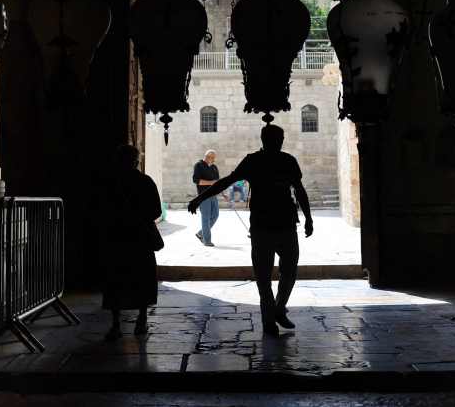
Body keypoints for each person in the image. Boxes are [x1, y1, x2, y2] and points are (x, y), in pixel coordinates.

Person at [189, 125, 313, 335]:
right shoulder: (269, 160)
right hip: (269, 224)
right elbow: (228, 181)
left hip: (277, 223)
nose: (279, 141)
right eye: (278, 138)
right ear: (270, 140)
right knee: (272, 272)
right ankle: (270, 318)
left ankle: (277, 310)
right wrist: (200, 197)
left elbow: (299, 189)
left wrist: (308, 218)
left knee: (280, 272)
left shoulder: (279, 160)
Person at [102, 144, 161, 340]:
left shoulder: (109, 182)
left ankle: (116, 324)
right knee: (140, 278)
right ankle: (141, 320)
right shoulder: (145, 182)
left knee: (116, 280)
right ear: (137, 162)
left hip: (120, 237)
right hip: (137, 238)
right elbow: (156, 212)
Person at [192, 149, 223, 246]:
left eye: (215, 159)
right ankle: (207, 240)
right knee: (206, 218)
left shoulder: (214, 167)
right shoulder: (199, 165)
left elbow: (217, 182)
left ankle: (201, 233)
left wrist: (223, 193)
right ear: (207, 157)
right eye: (213, 158)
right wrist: (211, 183)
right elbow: (197, 181)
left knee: (215, 215)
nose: (214, 160)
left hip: (213, 195)